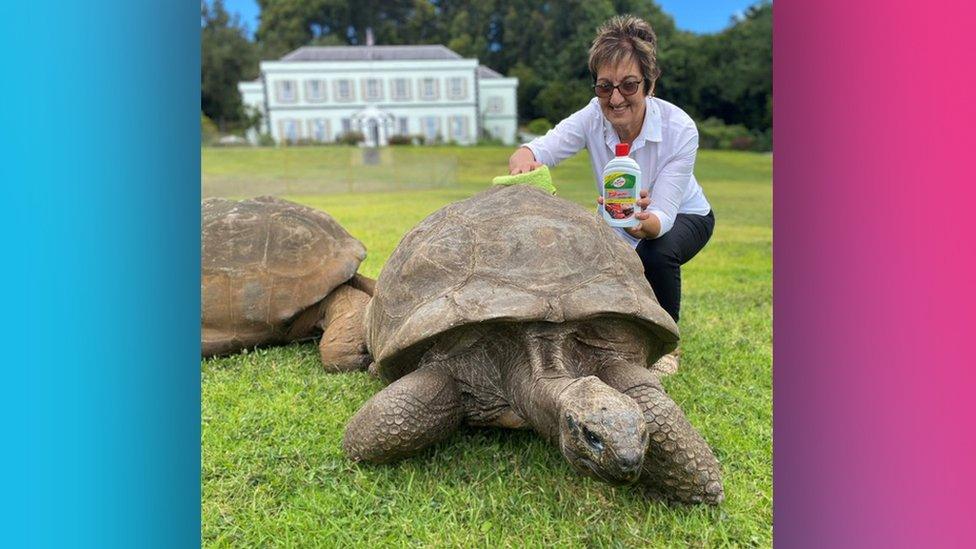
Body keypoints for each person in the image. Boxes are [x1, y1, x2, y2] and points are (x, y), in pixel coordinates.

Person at [508, 15, 714, 373]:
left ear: (650, 84)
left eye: (629, 85)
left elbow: (663, 215)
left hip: (684, 215)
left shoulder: (680, 128)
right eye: (605, 87)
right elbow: (545, 147)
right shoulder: (593, 116)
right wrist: (525, 156)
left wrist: (644, 224)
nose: (616, 99)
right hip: (619, 217)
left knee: (656, 253)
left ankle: (666, 347)